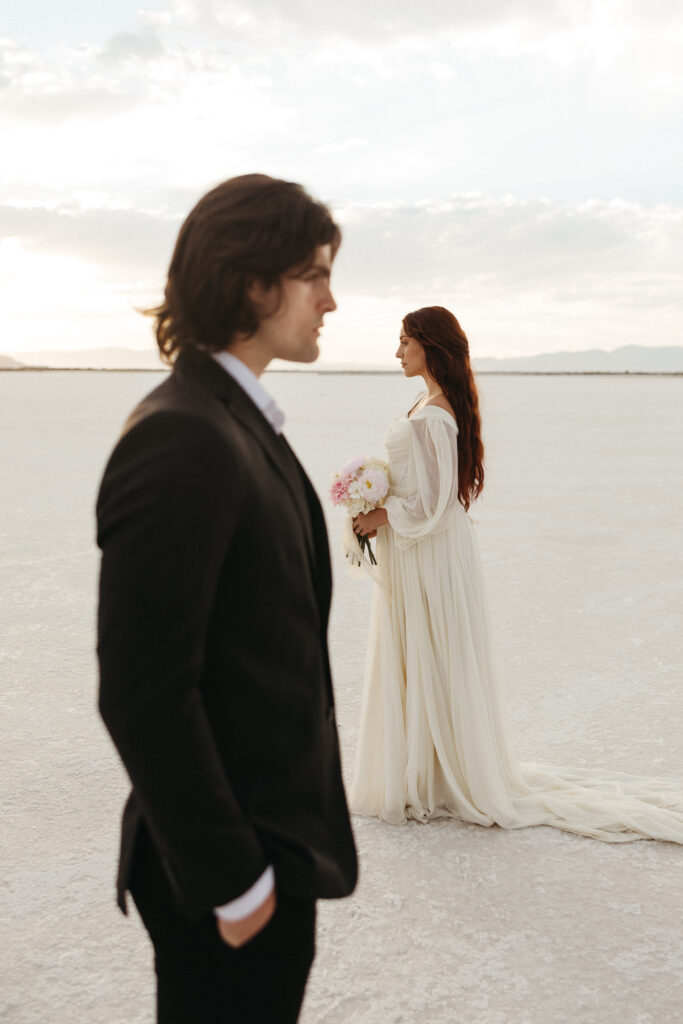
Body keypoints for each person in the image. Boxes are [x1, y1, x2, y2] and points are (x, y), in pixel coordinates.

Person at [96, 174, 358, 1024]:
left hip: (271, 847)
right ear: (252, 282)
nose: (330, 298)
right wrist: (233, 882)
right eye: (314, 274)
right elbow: (142, 691)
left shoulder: (237, 421)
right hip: (227, 872)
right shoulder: (184, 436)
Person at [349, 304, 683, 843]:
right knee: (425, 652)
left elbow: (433, 505)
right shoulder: (428, 403)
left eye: (405, 342)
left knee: (433, 651)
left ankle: (439, 775)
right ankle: (427, 769)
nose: (397, 352)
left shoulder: (435, 414)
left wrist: (382, 513)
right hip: (423, 549)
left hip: (429, 550)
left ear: (429, 347)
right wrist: (377, 495)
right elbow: (429, 491)